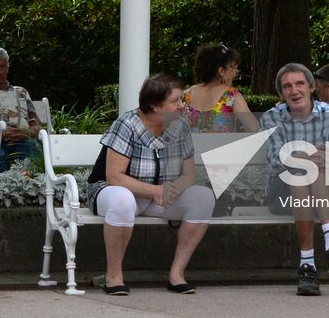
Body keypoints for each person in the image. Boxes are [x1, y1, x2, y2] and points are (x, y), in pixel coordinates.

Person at [86, 72, 214, 295]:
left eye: (181, 100)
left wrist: (172, 190)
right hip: (113, 193)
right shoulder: (127, 124)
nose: (181, 106)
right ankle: (113, 276)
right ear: (155, 106)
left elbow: (189, 175)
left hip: (157, 196)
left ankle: (177, 275)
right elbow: (114, 177)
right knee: (123, 199)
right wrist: (155, 190)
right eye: (175, 101)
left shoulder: (179, 126)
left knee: (203, 197)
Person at [261, 63, 329, 296]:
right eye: (287, 86)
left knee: (312, 168)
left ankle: (307, 265)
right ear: (281, 94)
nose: (294, 91)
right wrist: (308, 156)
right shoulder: (272, 118)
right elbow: (276, 161)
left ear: (311, 86)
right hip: (283, 197)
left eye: (299, 84)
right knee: (301, 170)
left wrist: (304, 157)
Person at [183, 43, 259, 132]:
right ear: (221, 71)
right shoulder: (231, 96)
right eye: (233, 68)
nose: (235, 73)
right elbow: (254, 128)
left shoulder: (187, 94)